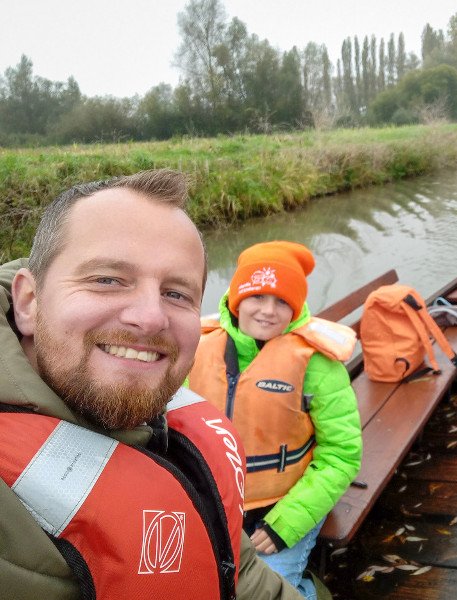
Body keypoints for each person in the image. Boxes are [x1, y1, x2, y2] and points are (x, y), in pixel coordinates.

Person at [0, 170, 302, 600]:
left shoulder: (170, 421)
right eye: (108, 280)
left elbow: (245, 577)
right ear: (29, 302)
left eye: (176, 293)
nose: (151, 317)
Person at [187, 241, 362, 600]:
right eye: (257, 297)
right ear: (237, 299)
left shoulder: (317, 364)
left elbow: (342, 455)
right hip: (214, 503)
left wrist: (286, 524)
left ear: (296, 307)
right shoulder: (198, 348)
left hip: (286, 506)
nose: (268, 311)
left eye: (283, 301)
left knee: (268, 591)